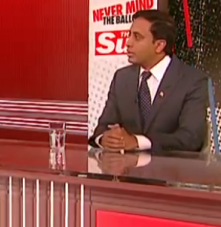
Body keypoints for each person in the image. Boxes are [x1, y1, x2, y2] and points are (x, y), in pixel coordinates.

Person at [89, 9, 209, 153]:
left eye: (137, 37)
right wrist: (104, 138)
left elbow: (191, 138)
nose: (128, 43)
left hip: (171, 172)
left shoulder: (192, 81)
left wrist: (138, 141)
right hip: (128, 172)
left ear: (159, 45)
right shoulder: (122, 78)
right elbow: (103, 127)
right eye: (129, 35)